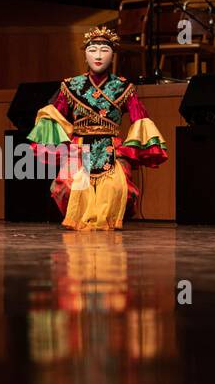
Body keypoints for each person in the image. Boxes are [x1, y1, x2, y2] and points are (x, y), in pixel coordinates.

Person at [28, 27, 168, 231]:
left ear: (113, 55)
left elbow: (140, 119)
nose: (99, 55)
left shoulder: (124, 87)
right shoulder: (71, 86)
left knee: (118, 188)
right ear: (85, 55)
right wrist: (60, 143)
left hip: (111, 146)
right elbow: (54, 116)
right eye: (93, 50)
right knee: (69, 187)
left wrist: (135, 147)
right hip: (79, 146)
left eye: (104, 50)